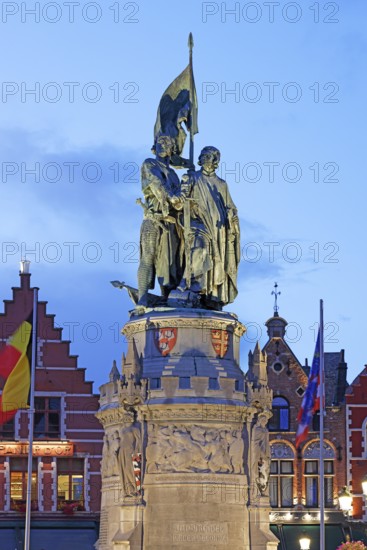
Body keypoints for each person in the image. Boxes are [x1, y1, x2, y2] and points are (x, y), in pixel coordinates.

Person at [177, 146, 240, 309]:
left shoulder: (222, 184)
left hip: (219, 230)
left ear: (216, 161)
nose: (206, 158)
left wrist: (231, 216)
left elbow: (230, 206)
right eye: (203, 155)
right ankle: (193, 285)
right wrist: (184, 186)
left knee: (216, 259)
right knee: (201, 248)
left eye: (210, 156)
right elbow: (181, 199)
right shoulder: (193, 177)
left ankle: (212, 295)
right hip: (198, 222)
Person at [137, 135, 183, 306]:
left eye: (169, 143)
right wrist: (173, 197)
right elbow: (157, 185)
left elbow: (180, 201)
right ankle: (142, 297)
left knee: (170, 262)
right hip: (153, 218)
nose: (164, 145)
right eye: (161, 143)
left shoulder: (174, 175)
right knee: (148, 256)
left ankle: (167, 297)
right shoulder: (149, 164)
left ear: (172, 150)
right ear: (155, 146)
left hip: (171, 222)